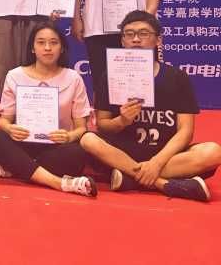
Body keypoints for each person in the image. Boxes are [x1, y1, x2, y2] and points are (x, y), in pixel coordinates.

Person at [80, 11, 221, 202]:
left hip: (165, 154)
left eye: (143, 33)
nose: (136, 39)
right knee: (88, 140)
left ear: (158, 40)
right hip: (122, 151)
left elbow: (185, 131)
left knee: (213, 152)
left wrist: (157, 162)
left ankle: (130, 177)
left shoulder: (177, 77)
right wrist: (122, 121)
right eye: (129, 34)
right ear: (123, 41)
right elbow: (102, 125)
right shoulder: (109, 76)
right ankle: (163, 183)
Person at [0, 22, 97, 197]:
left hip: (56, 146)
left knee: (78, 153)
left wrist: (69, 136)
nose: (47, 48)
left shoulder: (73, 78)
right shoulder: (15, 75)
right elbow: (4, 120)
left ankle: (16, 169)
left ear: (62, 48)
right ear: (32, 48)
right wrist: (10, 128)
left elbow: (82, 128)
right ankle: (59, 182)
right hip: (23, 143)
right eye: (41, 42)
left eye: (54, 43)